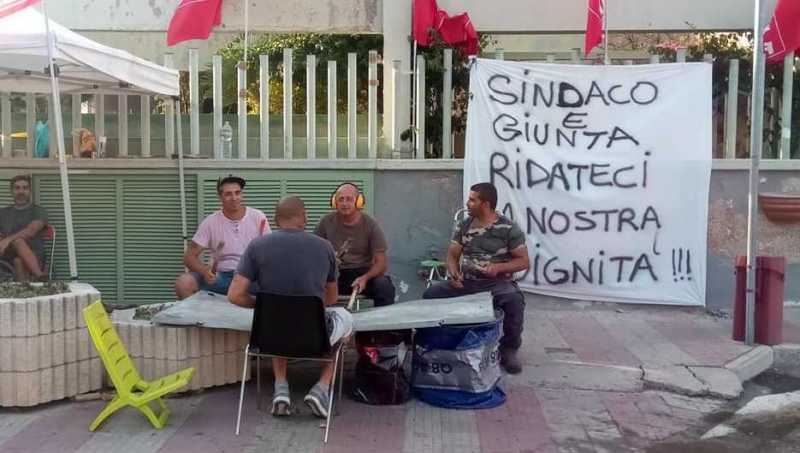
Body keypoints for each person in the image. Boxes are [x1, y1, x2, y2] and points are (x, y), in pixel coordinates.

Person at [228, 195, 352, 418]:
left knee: (279, 318)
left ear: (276, 220)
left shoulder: (257, 246)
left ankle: (281, 389)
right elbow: (332, 297)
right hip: (315, 338)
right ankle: (321, 388)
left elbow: (235, 295)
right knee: (347, 320)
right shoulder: (324, 247)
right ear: (303, 217)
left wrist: (261, 305)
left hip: (269, 337)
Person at [422, 182, 530, 374]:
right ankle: (434, 342)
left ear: (485, 204)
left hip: (496, 284)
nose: (467, 203)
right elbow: (452, 255)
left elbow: (523, 261)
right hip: (467, 282)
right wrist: (453, 273)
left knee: (514, 300)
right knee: (431, 294)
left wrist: (498, 268)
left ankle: (509, 349)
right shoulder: (464, 225)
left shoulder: (508, 228)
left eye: (472, 200)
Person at [174, 175, 270, 299]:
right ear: (220, 197)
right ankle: (197, 314)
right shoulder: (210, 222)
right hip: (220, 278)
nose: (234, 198)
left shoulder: (258, 217)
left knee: (277, 283)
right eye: (228, 194)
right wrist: (205, 271)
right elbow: (189, 257)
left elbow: (270, 251)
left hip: (249, 278)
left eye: (237, 193)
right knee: (184, 283)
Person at [314, 183, 395, 306]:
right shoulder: (325, 222)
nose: (344, 203)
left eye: (349, 199)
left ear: (358, 202)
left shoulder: (370, 224)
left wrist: (365, 278)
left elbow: (381, 263)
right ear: (334, 202)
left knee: (384, 286)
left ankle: (383, 319)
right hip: (334, 274)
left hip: (363, 273)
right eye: (341, 199)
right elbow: (313, 253)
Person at [0, 175, 49, 281]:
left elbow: (30, 231)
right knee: (17, 253)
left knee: (19, 252)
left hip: (35, 255)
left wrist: (7, 240)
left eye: (25, 188)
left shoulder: (38, 211)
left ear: (30, 191)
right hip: (7, 256)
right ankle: (41, 278)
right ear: (11, 191)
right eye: (17, 188)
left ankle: (37, 278)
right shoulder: (2, 213)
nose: (21, 191)